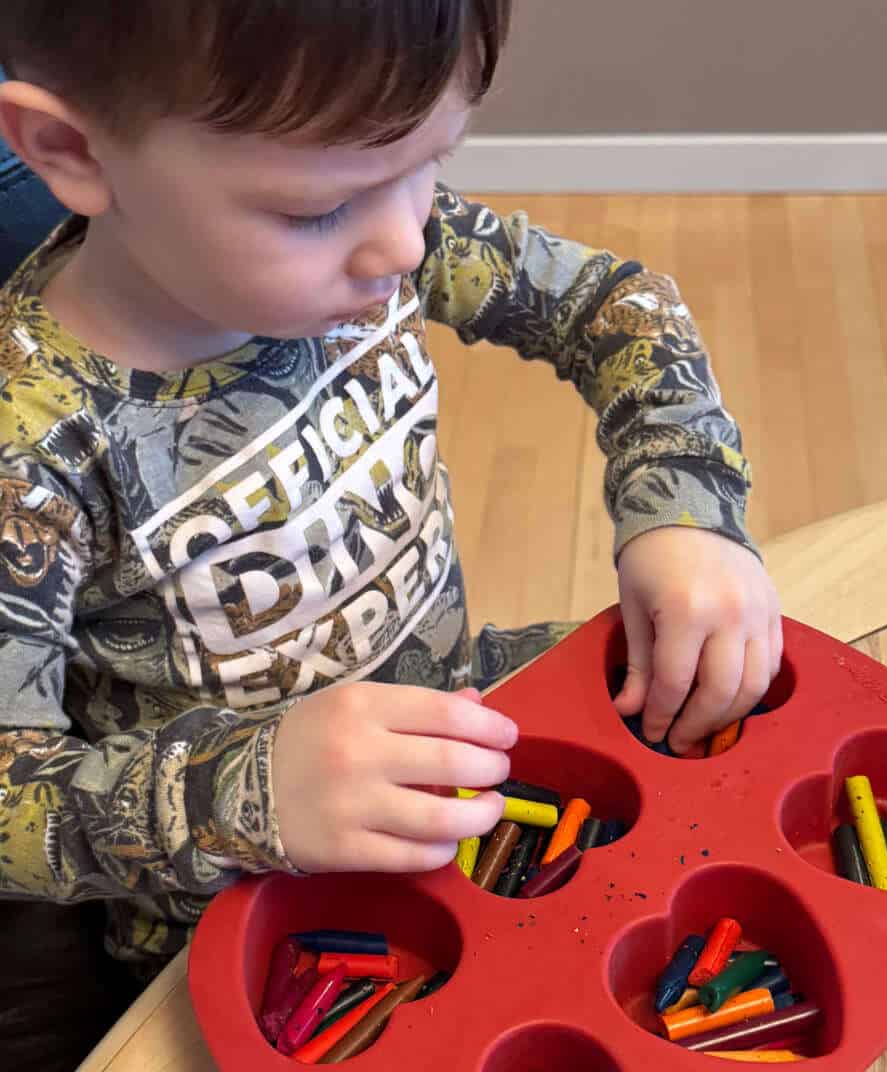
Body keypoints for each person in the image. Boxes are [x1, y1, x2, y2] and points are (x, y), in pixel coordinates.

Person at [0, 0, 780, 976]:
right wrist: (252, 791)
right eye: (313, 209)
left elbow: (619, 307)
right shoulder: (33, 450)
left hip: (462, 758)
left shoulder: (385, 224)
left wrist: (691, 517)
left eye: (435, 162)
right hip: (238, 931)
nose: (406, 245)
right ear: (71, 150)